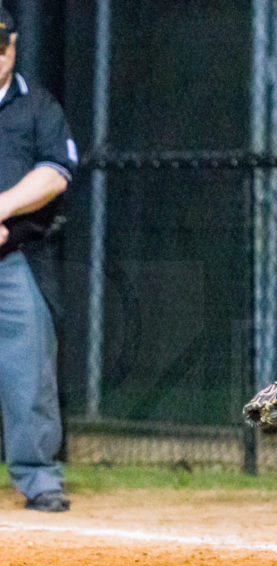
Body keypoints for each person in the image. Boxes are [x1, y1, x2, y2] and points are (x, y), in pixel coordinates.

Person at [0, 7, 76, 512]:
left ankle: (37, 475)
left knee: (28, 369)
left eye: (1, 44)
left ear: (12, 44)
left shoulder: (38, 106)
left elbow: (58, 170)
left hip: (16, 254)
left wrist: (2, 206)